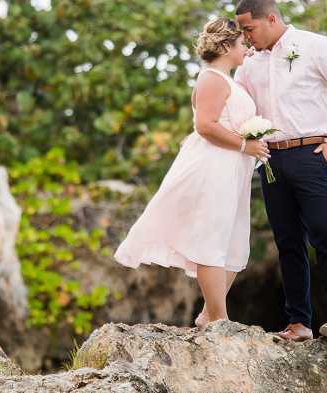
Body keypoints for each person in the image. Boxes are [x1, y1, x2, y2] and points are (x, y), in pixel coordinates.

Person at [114, 17, 271, 326]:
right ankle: (219, 322)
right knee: (211, 242)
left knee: (234, 246)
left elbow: (210, 123)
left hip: (232, 172)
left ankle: (206, 316)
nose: (248, 49)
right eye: (242, 44)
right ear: (227, 46)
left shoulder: (227, 80)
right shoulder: (212, 78)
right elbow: (205, 125)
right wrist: (244, 145)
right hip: (215, 169)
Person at [234, 0, 327, 347]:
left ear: (271, 20)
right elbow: (236, 105)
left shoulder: (315, 45)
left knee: (325, 234)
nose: (246, 36)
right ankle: (298, 323)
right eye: (242, 31)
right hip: (270, 159)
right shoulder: (248, 62)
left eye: (249, 28)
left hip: (313, 154)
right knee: (288, 242)